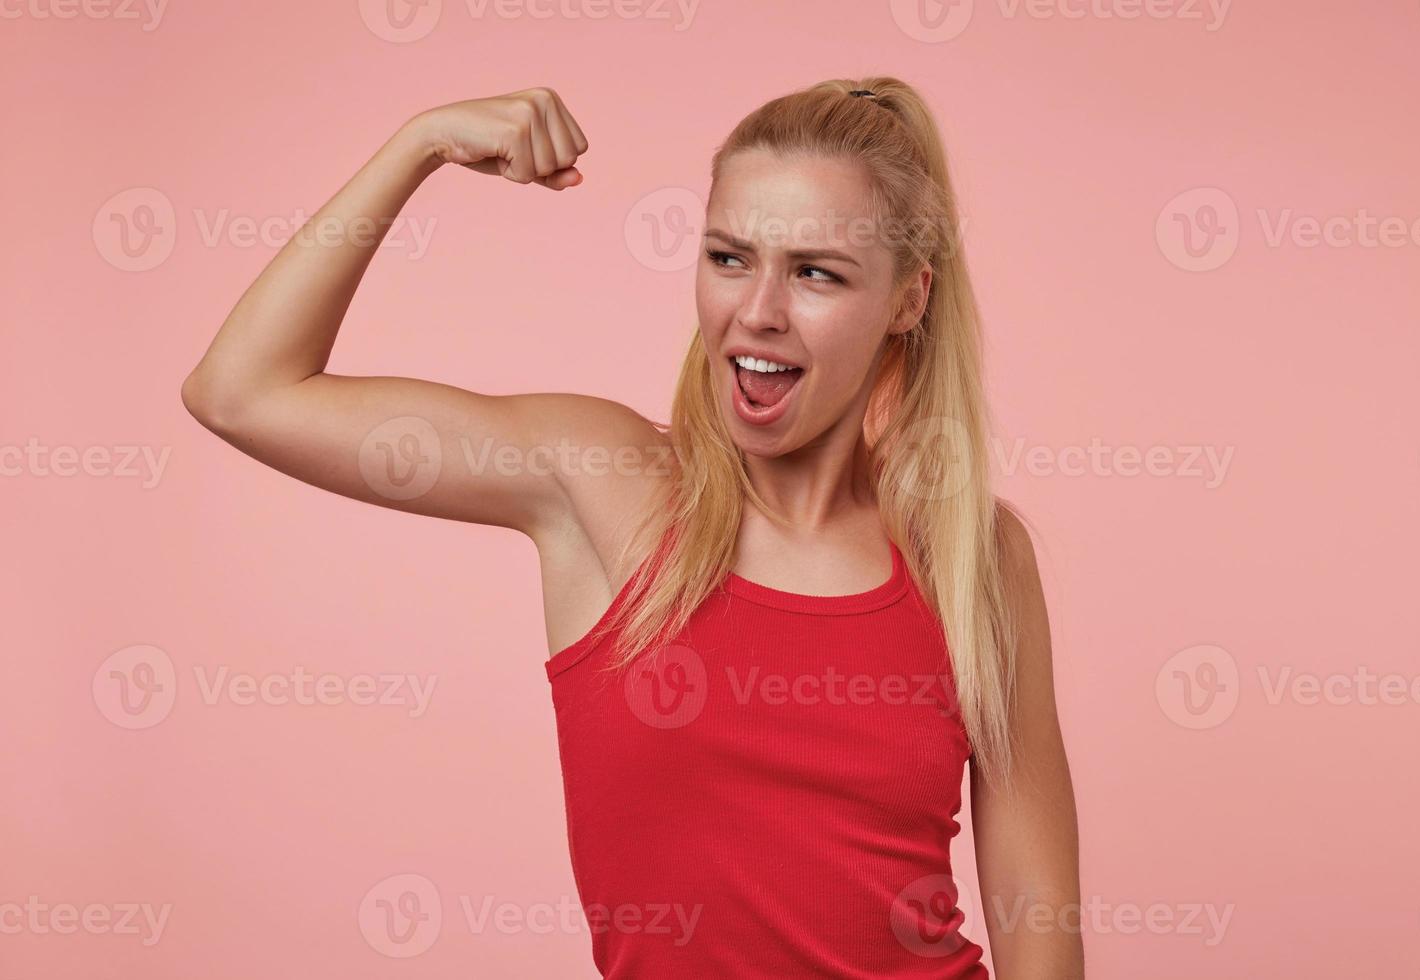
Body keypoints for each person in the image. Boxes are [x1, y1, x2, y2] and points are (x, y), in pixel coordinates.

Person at [181, 78, 1083, 978]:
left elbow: (1037, 925)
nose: (758, 310)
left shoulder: (975, 560)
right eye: (730, 257)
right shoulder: (603, 480)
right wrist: (420, 143)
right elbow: (243, 393)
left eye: (816, 272)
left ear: (908, 301)